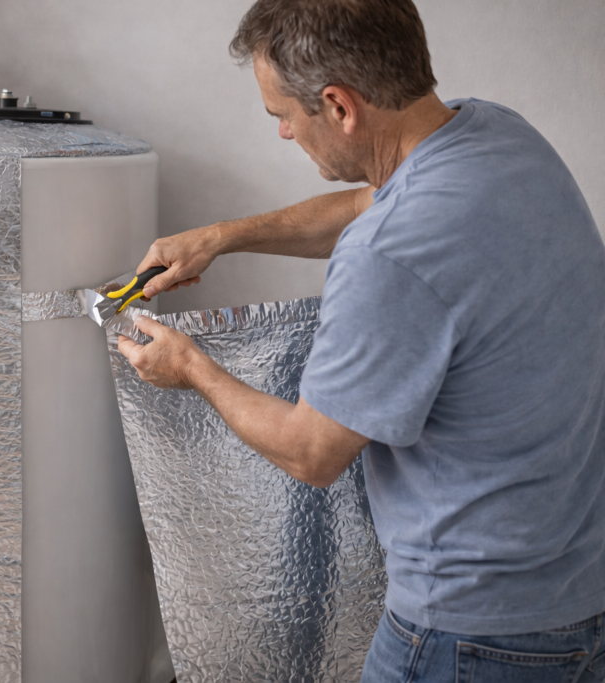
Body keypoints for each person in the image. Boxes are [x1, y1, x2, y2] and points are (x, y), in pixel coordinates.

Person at [116, 0, 605, 680]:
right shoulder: (500, 138)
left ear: (339, 106)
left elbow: (312, 451)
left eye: (283, 114)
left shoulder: (390, 253)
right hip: (578, 600)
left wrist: (192, 366)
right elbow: (368, 202)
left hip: (468, 633)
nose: (285, 133)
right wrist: (223, 237)